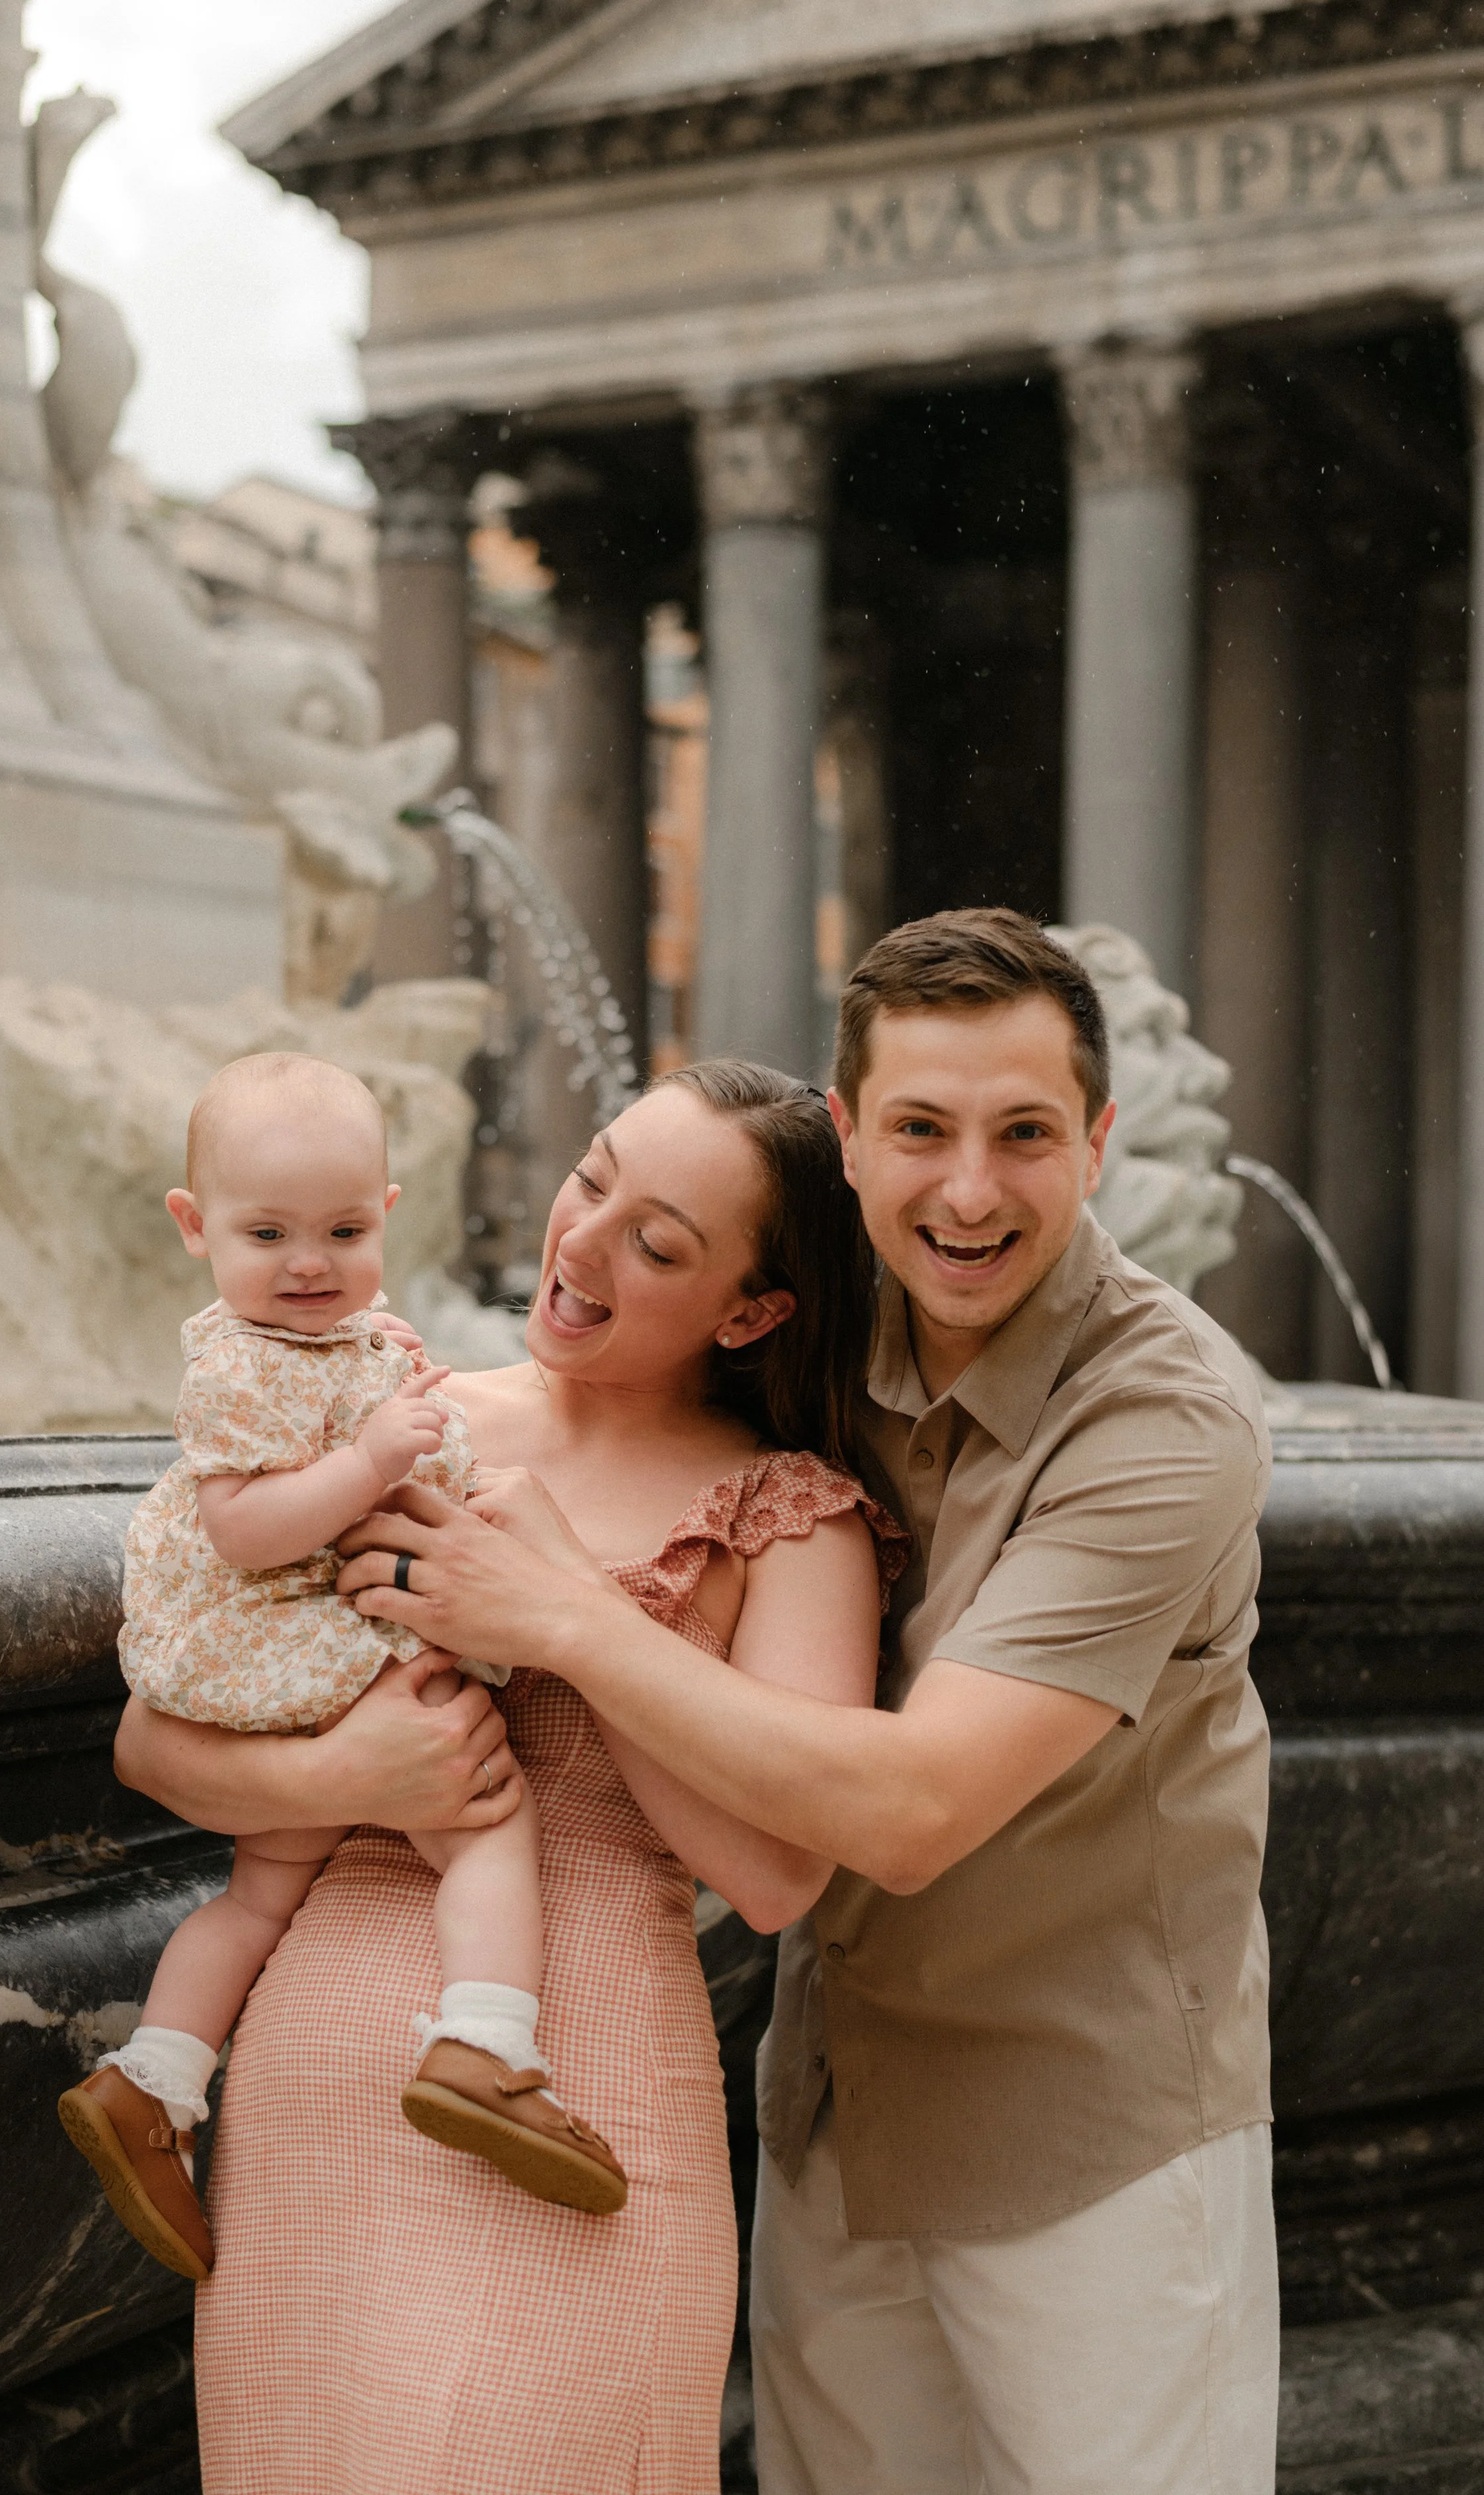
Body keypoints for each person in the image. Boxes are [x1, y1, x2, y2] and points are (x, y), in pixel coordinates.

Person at [341, 910, 1279, 2495]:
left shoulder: (1163, 1422)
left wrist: (563, 1613)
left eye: (1022, 1134)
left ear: (1098, 1142)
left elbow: (910, 1813)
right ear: (846, 1139)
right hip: (835, 2110)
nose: (965, 1191)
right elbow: (618, 1376)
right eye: (917, 1130)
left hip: (1087, 2144)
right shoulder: (816, 1327)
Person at [114, 1059, 906, 2495]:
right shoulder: (389, 1414)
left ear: (750, 1311)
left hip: (578, 2080)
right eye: (590, 1180)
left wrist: (570, 1617)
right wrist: (351, 1773)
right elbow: (151, 1739)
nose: (581, 1242)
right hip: (312, 2089)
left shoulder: (792, 1519)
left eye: (655, 1241)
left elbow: (777, 1875)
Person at [62, 1051, 626, 2290]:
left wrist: (385, 1386)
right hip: (295, 1637)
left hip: (299, 1650)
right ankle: (488, 2042)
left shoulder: (334, 1338)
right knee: (484, 1819)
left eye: (345, 1231)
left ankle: (155, 2078)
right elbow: (244, 1529)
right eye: (268, 1234)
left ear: (388, 1213)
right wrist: (372, 1457)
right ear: (194, 1226)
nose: (310, 1264)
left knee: (260, 1896)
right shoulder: (234, 1366)